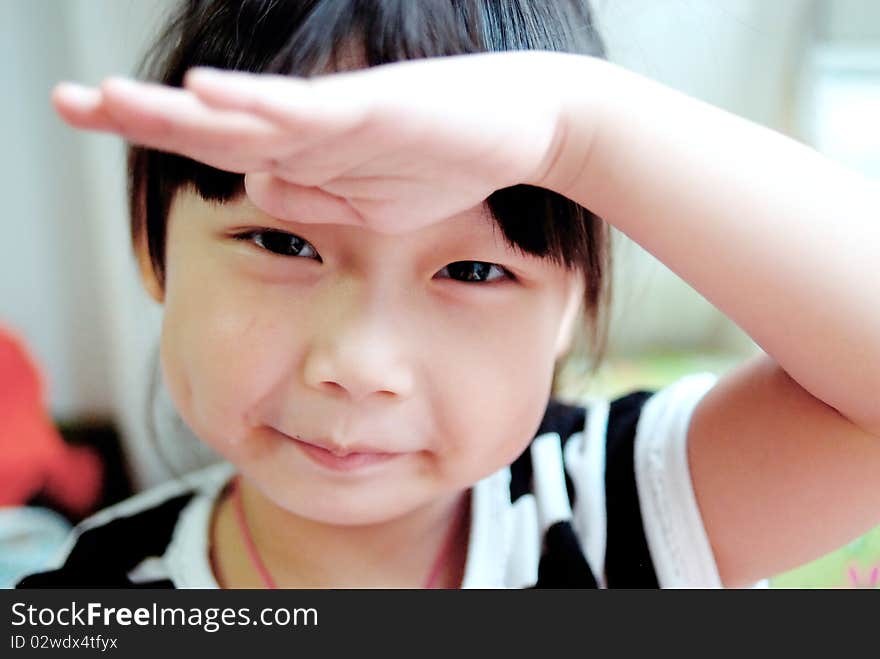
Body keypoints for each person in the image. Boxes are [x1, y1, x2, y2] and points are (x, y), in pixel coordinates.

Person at [18, 0, 880, 589]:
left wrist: (579, 132)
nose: (358, 366)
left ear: (570, 307)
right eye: (283, 241)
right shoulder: (94, 587)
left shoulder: (622, 504)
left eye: (471, 270)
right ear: (153, 248)